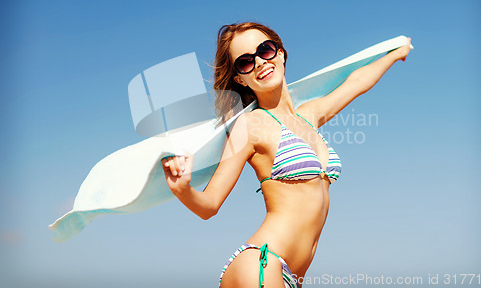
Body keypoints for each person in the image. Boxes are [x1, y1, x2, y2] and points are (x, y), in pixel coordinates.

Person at [162, 22, 412, 288]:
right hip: (261, 264)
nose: (259, 62)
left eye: (265, 50)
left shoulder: (310, 116)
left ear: (280, 53)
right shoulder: (250, 126)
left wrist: (395, 53)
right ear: (239, 78)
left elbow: (357, 83)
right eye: (245, 62)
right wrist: (183, 189)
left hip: (292, 276)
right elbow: (210, 204)